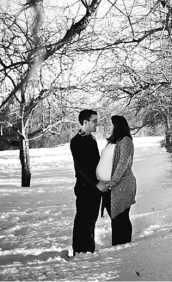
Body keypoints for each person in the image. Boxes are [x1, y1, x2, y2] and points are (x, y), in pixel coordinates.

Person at [69, 109, 107, 254]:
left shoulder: (91, 138)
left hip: (93, 187)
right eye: (94, 121)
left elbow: (95, 163)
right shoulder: (77, 141)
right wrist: (96, 183)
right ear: (85, 122)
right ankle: (80, 251)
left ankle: (88, 249)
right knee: (83, 220)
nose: (97, 124)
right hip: (85, 187)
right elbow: (81, 167)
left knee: (91, 220)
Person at [97, 115, 137, 245]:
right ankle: (118, 244)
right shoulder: (114, 141)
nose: (109, 127)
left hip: (122, 185)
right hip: (111, 186)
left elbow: (122, 163)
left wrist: (112, 182)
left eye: (111, 124)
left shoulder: (125, 141)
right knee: (115, 217)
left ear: (117, 126)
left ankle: (123, 245)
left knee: (121, 217)